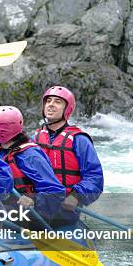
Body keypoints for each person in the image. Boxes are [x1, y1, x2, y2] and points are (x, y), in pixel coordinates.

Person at [32, 86, 104, 221]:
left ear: (67, 109)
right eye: (48, 101)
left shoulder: (79, 140)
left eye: (58, 102)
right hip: (36, 206)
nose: (51, 105)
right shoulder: (35, 138)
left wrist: (76, 196)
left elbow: (95, 177)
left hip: (65, 210)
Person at [0, 106, 65, 221]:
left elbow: (56, 193)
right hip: (5, 206)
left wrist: (33, 199)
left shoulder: (31, 156)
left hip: (30, 214)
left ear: (4, 131)